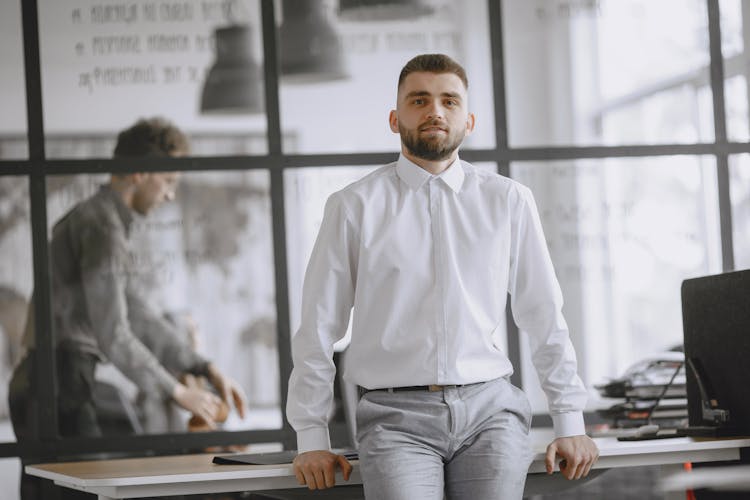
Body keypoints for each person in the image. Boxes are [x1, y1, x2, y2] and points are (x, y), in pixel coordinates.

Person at [286, 54, 599, 499]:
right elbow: (318, 327)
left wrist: (570, 420)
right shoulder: (352, 207)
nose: (435, 111)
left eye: (449, 101)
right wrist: (311, 436)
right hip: (394, 417)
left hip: (491, 412)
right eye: (420, 100)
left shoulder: (508, 200)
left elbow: (543, 314)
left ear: (468, 120)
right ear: (395, 119)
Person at [8, 117, 247, 500]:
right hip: (59, 382)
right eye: (168, 182)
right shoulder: (102, 227)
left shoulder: (99, 222)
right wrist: (180, 393)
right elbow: (114, 333)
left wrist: (201, 366)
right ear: (140, 172)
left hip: (45, 381)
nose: (170, 195)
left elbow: (136, 313)